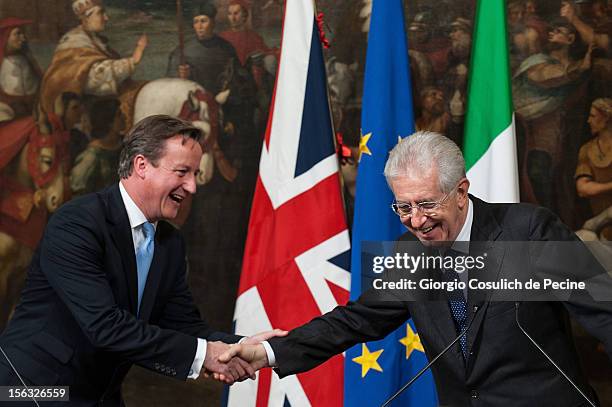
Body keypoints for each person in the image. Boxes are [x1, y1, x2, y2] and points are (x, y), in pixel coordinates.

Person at [220, 132, 612, 406]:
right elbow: (355, 320)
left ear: (461, 191)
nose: (416, 220)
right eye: (403, 207)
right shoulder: (412, 252)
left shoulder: (529, 230)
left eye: (426, 204)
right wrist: (268, 353)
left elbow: (604, 309)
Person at [0, 115, 285, 405]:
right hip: (32, 389)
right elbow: (105, 326)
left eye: (195, 175)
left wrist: (240, 347)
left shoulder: (170, 243)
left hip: (100, 395)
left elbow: (183, 325)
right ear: (141, 166)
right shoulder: (77, 223)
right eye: (182, 172)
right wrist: (205, 355)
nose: (192, 187)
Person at [38, 0, 147, 133]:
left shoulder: (95, 40)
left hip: (99, 101)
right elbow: (92, 79)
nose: (106, 18)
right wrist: (132, 61)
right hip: (84, 111)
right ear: (86, 17)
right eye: (101, 13)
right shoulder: (73, 43)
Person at [167, 1, 237, 95]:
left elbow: (235, 78)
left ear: (212, 23)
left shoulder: (226, 47)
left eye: (203, 21)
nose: (199, 26)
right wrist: (180, 76)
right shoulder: (182, 50)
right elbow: (169, 80)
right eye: (196, 22)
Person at [575, 98, 612, 240]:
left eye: (593, 116)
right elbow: (583, 189)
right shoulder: (587, 150)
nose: (588, 121)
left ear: (606, 118)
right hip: (602, 228)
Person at [0, 17, 42, 121]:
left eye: (23, 34)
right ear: (6, 37)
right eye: (17, 34)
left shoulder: (28, 60)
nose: (23, 38)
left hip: (33, 110)